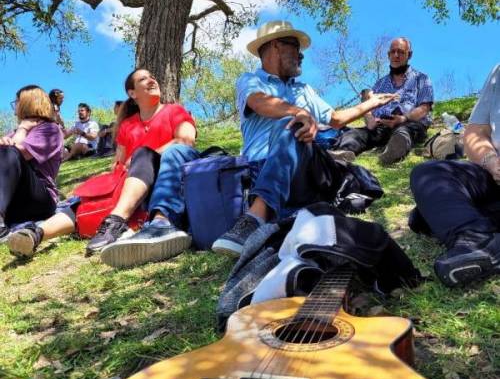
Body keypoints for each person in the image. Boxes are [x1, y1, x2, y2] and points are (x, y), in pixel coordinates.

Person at [210, 20, 397, 258]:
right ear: (276, 45)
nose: (301, 56)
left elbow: (336, 119)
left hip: (308, 170)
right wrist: (298, 112)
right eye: (296, 48)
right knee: (292, 122)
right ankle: (284, 216)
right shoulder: (251, 81)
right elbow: (259, 102)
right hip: (262, 168)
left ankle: (254, 217)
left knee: (294, 126)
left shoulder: (304, 90)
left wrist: (372, 103)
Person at [7, 69, 196, 261]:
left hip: (165, 174)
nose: (151, 80)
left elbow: (186, 140)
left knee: (143, 154)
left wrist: (142, 156)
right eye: (143, 78)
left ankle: (130, 223)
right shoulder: (128, 124)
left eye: (152, 77)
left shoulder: (175, 110)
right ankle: (35, 234)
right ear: (132, 93)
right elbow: (119, 161)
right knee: (83, 204)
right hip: (133, 181)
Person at [409, 64, 500, 287]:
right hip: (493, 176)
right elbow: (475, 132)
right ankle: (478, 240)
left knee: (431, 216)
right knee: (428, 175)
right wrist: (492, 162)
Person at [333, 37, 434, 165]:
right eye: (393, 52)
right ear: (388, 55)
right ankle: (341, 154)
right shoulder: (380, 84)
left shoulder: (422, 79)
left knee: (403, 132)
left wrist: (403, 119)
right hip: (381, 127)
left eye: (401, 52)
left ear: (409, 55)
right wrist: (370, 119)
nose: (396, 55)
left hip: (409, 123)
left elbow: (424, 108)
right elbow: (368, 107)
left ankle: (392, 153)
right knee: (355, 133)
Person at [0, 85, 63, 241]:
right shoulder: (14, 133)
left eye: (17, 101)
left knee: (9, 152)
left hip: (39, 200)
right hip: (13, 203)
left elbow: (20, 154)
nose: (15, 106)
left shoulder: (49, 129)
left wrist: (22, 128)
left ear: (28, 102)